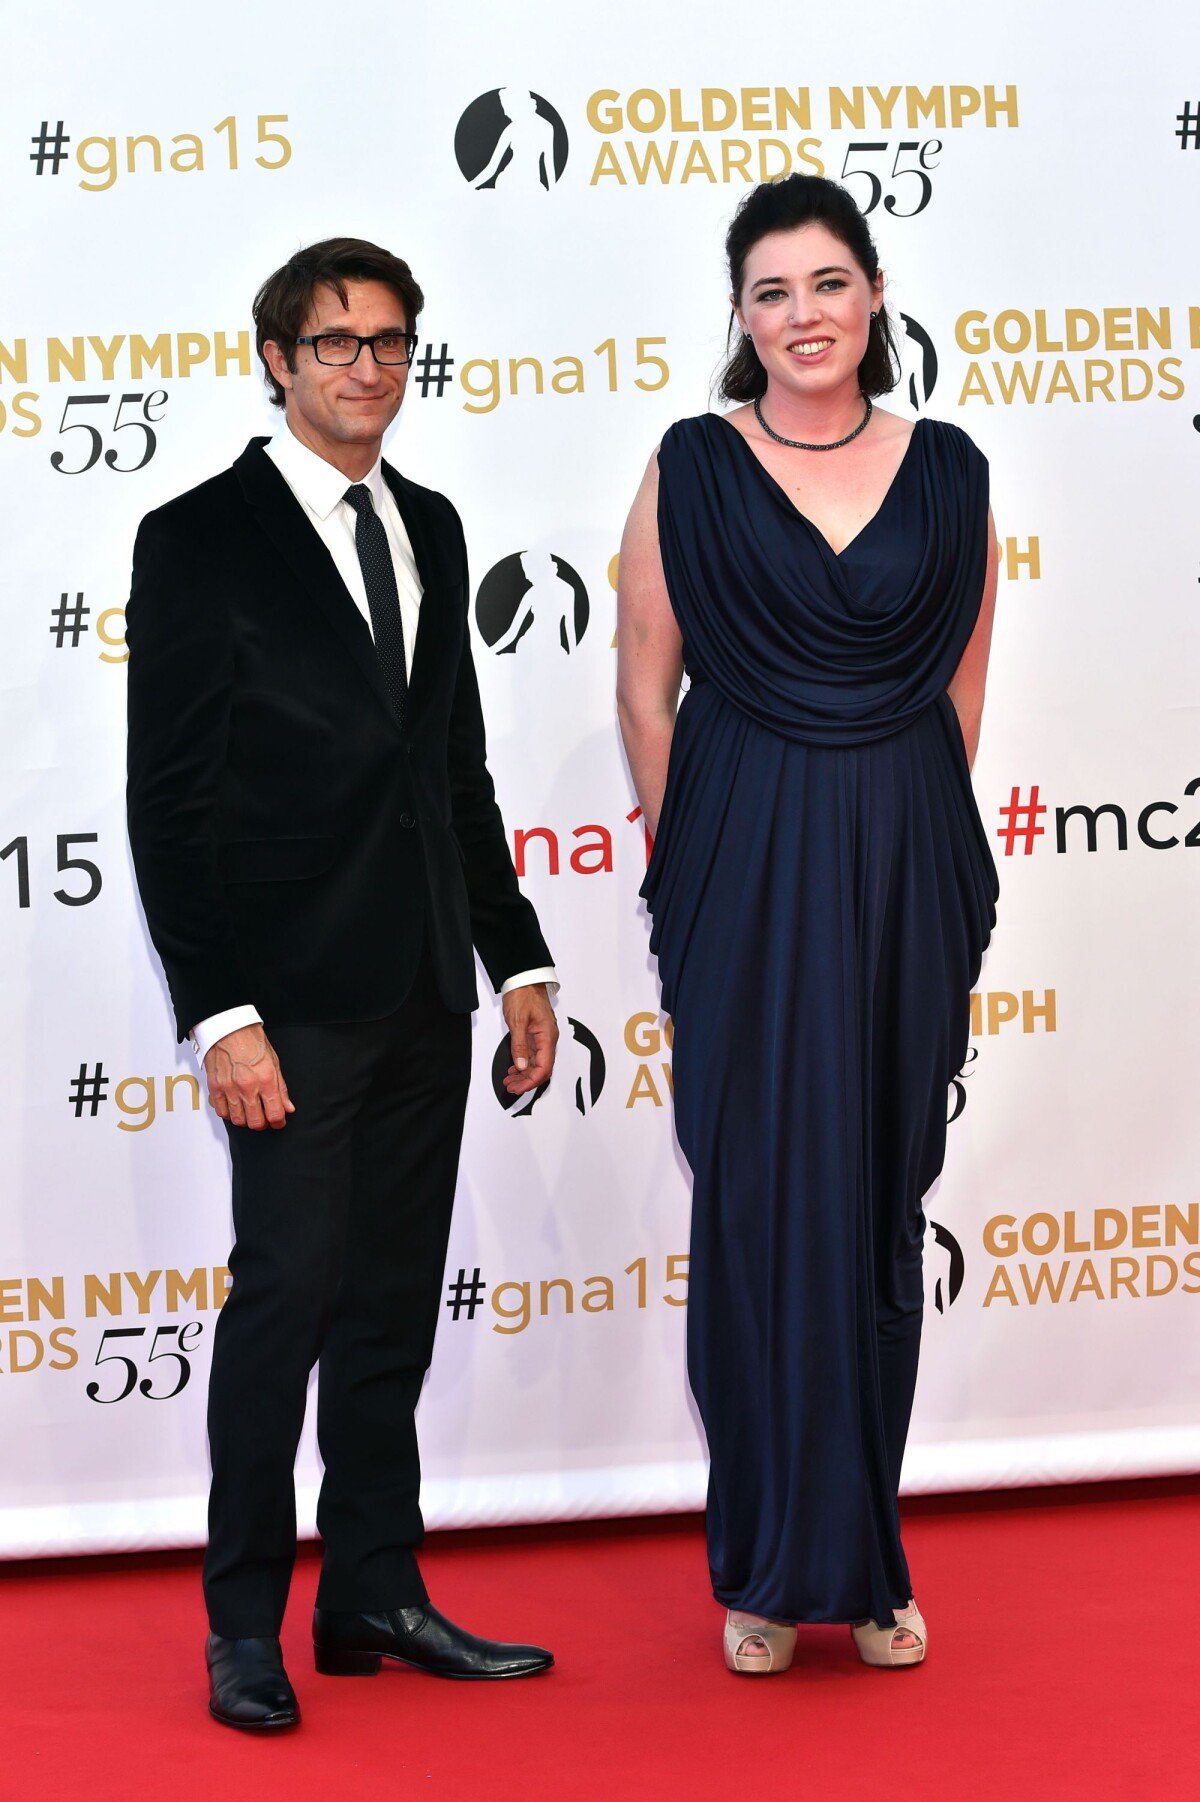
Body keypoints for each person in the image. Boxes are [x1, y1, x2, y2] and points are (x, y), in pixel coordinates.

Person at [126, 237, 560, 1730]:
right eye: (334, 342)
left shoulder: (432, 526)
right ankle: (243, 1618)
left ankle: (372, 1588)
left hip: (424, 990)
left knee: (386, 1309)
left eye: (387, 341)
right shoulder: (198, 537)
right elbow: (168, 805)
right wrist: (222, 1013)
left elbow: (452, 768)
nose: (365, 365)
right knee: (283, 1304)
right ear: (278, 361)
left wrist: (517, 957)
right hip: (288, 1004)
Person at [617, 176, 999, 1674]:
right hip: (745, 858)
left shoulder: (952, 466)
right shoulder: (692, 467)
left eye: (828, 283)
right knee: (766, 1202)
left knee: (875, 1198)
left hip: (903, 846)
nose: (803, 316)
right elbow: (648, 683)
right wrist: (694, 854)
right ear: (738, 316)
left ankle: (869, 1552)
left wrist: (917, 849)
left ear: (877, 295)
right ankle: (768, 1564)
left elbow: (962, 686)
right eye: (770, 291)